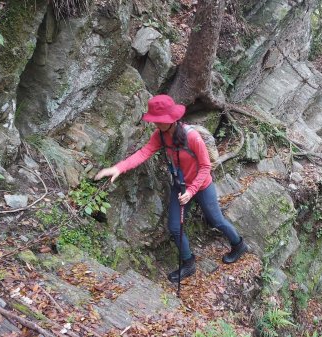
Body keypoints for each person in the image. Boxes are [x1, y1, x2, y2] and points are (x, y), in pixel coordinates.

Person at [95, 94, 248, 282]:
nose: (156, 124)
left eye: (159, 120)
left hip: (201, 185)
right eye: (155, 120)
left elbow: (206, 167)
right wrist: (118, 168)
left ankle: (238, 245)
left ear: (172, 119)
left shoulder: (192, 137)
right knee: (175, 227)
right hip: (180, 186)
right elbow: (144, 152)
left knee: (216, 220)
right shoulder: (159, 135)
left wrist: (192, 191)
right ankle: (188, 263)